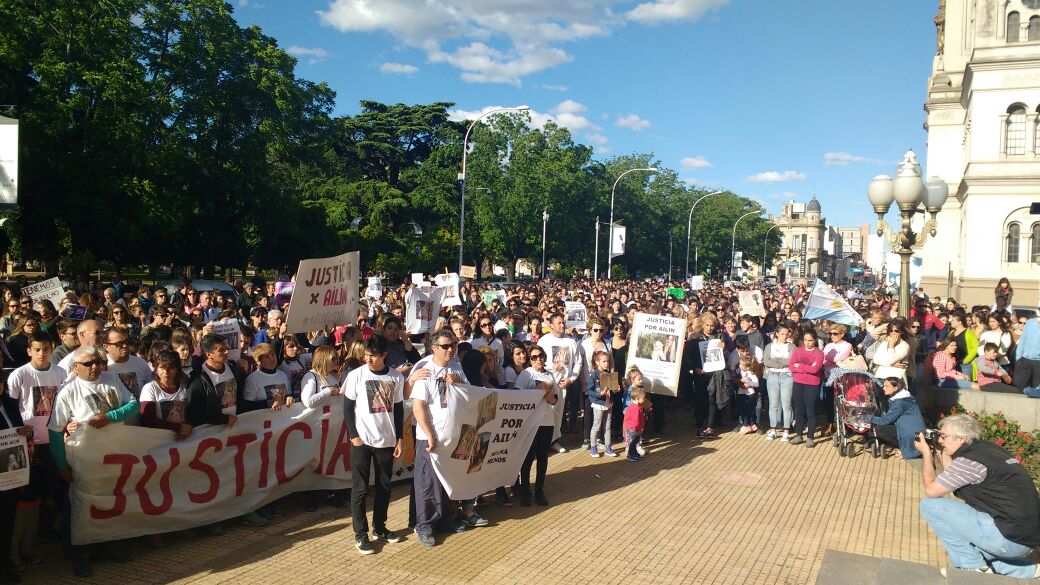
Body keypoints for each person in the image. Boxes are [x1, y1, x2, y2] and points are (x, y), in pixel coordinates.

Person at [48, 345, 138, 577]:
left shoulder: (113, 378)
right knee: (81, 506)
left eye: (98, 361)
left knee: (112, 500)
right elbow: (56, 430)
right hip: (83, 460)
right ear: (75, 367)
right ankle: (80, 552)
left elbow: (133, 404)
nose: (95, 367)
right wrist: (61, 465)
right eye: (89, 363)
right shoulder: (67, 390)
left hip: (114, 456)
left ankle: (109, 544)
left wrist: (110, 416)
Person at [917, 414, 1040, 578]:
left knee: (930, 506)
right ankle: (1028, 570)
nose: (939, 439)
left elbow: (931, 490)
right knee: (964, 549)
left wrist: (926, 453)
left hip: (1009, 539)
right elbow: (955, 480)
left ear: (961, 439)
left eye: (943, 436)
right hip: (1026, 538)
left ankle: (973, 568)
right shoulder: (987, 449)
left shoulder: (970, 462)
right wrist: (943, 452)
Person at [341, 334, 405, 555]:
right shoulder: (356, 375)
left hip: (386, 440)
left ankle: (380, 526)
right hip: (362, 441)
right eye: (367, 355)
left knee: (384, 487)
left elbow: (398, 409)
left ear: (384, 355)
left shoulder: (396, 377)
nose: (368, 359)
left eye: (374, 356)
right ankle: (360, 534)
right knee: (359, 490)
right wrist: (354, 436)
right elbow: (347, 408)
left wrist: (399, 438)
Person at [409, 329, 469, 546]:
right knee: (427, 483)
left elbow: (469, 395)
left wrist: (458, 383)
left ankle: (446, 519)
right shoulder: (425, 371)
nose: (450, 349)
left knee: (448, 479)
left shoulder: (456, 367)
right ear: (434, 348)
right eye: (445, 346)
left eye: (452, 345)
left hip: (451, 433)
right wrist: (428, 434)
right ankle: (424, 525)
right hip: (430, 436)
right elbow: (418, 407)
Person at [513, 345, 559, 506]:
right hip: (530, 423)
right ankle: (525, 490)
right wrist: (536, 391)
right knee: (527, 458)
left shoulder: (550, 375)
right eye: (534, 357)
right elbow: (518, 396)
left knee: (542, 458)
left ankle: (539, 490)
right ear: (530, 359)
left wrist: (546, 394)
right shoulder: (526, 374)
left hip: (546, 422)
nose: (538, 359)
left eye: (541, 356)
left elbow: (554, 400)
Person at [1, 376, 31, 585]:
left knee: (6, 522)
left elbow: (18, 431)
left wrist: (26, 434)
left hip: (9, 477)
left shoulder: (10, 404)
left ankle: (3, 568)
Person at [537, 312, 582, 452]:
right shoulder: (544, 341)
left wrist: (571, 379)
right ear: (551, 325)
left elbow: (578, 362)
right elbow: (537, 360)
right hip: (546, 383)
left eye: (563, 322)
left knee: (558, 413)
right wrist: (551, 366)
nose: (563, 325)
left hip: (563, 384)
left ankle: (554, 440)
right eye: (559, 323)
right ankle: (541, 442)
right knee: (544, 413)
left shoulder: (571, 341)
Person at [139, 350, 192, 437]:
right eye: (162, 367)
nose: (166, 372)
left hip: (185, 438)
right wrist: (178, 428)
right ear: (156, 369)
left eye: (170, 368)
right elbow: (148, 420)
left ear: (177, 369)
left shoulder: (185, 386)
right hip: (160, 439)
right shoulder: (149, 388)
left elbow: (192, 413)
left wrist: (188, 425)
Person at [869, 377, 926, 459]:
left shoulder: (900, 403)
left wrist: (868, 418)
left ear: (895, 388)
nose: (883, 388)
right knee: (884, 428)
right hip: (915, 430)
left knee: (880, 429)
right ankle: (905, 445)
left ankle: (908, 447)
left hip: (910, 433)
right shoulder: (905, 398)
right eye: (884, 385)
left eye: (886, 386)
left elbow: (886, 420)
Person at [788, 329, 824, 447]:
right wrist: (807, 367)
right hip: (798, 382)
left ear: (815, 340)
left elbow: (815, 369)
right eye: (805, 340)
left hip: (812, 384)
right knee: (799, 410)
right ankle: (799, 435)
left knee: (811, 411)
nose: (807, 343)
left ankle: (810, 437)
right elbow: (791, 366)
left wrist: (800, 365)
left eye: (810, 340)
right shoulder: (797, 350)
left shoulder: (819, 353)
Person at [763, 322, 794, 441]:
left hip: (787, 375)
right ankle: (773, 429)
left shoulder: (791, 346)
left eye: (786, 334)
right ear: (777, 334)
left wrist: (776, 361)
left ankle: (786, 430)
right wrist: (782, 361)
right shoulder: (769, 346)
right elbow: (767, 361)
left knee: (786, 404)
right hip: (772, 375)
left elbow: (790, 361)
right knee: (773, 404)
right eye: (782, 334)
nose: (784, 336)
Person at [103, 326, 154, 398]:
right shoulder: (102, 366)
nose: (125, 345)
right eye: (119, 344)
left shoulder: (141, 363)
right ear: (106, 347)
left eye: (127, 342)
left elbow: (151, 388)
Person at [586, 350, 617, 457]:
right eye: (604, 361)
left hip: (608, 403)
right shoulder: (593, 375)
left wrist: (616, 389)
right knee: (597, 425)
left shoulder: (609, 374)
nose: (607, 364)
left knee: (607, 426)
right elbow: (589, 390)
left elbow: (613, 390)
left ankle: (608, 447)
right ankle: (593, 447)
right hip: (599, 403)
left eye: (607, 361)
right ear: (597, 362)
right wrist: (600, 394)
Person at [623, 387, 650, 462]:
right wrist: (638, 429)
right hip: (633, 428)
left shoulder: (638, 407)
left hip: (636, 428)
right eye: (643, 398)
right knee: (633, 441)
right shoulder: (635, 408)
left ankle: (634, 453)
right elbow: (635, 421)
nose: (644, 399)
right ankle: (630, 454)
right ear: (637, 399)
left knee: (636, 441)